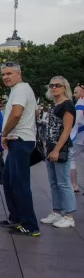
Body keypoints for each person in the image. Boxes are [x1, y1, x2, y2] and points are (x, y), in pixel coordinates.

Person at [0, 62, 40, 236]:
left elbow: (16, 114)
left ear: (19, 74)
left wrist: (4, 133)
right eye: (3, 74)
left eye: (9, 73)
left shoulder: (21, 89)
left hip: (21, 140)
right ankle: (16, 217)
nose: (6, 77)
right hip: (17, 139)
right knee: (8, 181)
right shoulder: (18, 90)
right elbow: (35, 112)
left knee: (20, 184)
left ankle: (30, 225)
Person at [40, 77, 77, 228]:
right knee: (54, 183)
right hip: (50, 148)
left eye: (57, 85)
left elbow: (67, 129)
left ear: (64, 87)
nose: (54, 88)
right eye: (51, 85)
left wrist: (56, 149)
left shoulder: (67, 105)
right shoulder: (55, 105)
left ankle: (69, 216)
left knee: (63, 182)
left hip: (61, 149)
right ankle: (57, 212)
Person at [70, 82, 84, 193]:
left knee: (71, 159)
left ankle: (74, 185)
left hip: (79, 136)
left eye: (76, 92)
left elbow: (77, 120)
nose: (74, 94)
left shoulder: (80, 103)